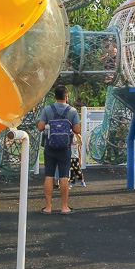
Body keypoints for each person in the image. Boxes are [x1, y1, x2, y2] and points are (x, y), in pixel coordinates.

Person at [37, 85, 81, 214]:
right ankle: (64, 207)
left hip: (50, 147)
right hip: (65, 148)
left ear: (55, 96)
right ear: (66, 97)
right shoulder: (72, 111)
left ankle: (48, 207)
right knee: (63, 176)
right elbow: (77, 130)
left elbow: (40, 127)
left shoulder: (47, 110)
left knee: (49, 176)